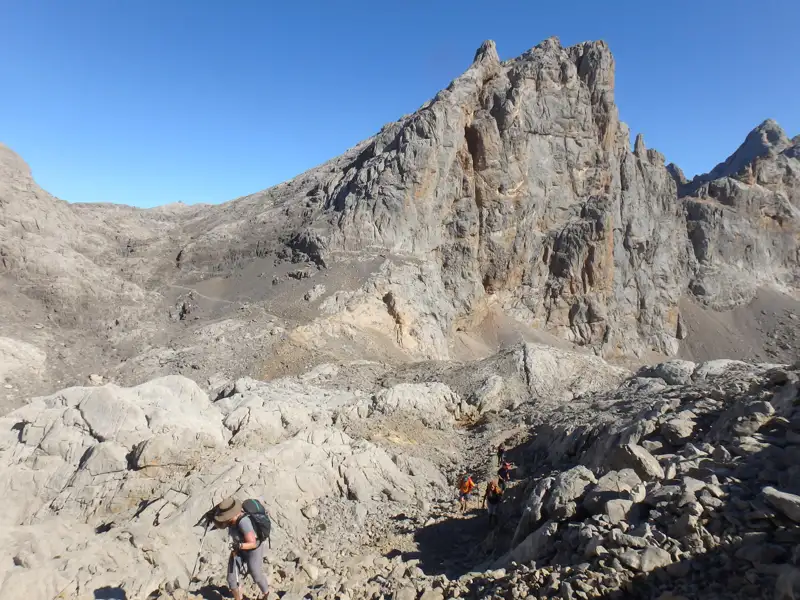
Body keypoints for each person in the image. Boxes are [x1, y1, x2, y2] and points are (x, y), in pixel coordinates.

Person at [213, 497, 269, 600]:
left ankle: (266, 594)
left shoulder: (244, 522)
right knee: (231, 578)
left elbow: (252, 543)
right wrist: (212, 519)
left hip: (253, 549)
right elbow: (220, 524)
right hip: (238, 548)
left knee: (255, 573)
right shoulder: (230, 521)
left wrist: (239, 546)